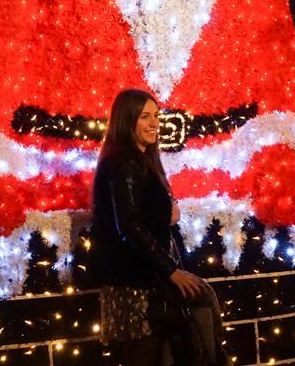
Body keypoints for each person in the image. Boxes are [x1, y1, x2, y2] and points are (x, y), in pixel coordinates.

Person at [89, 88, 227, 365]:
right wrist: (171, 270)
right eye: (144, 117)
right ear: (127, 120)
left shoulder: (141, 161)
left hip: (147, 279)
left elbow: (145, 212)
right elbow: (128, 225)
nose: (154, 123)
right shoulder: (124, 163)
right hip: (134, 286)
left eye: (156, 116)